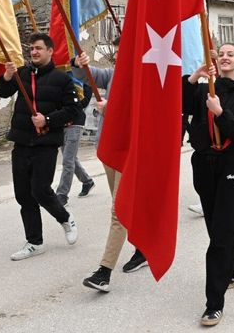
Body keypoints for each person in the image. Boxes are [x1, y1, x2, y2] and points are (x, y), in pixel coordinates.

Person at [183, 43, 234, 327]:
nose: (225, 57)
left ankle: (213, 304)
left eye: (231, 54)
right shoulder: (205, 89)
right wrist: (194, 77)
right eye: (221, 54)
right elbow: (181, 104)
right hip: (203, 164)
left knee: (222, 236)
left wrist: (219, 112)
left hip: (230, 165)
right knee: (216, 226)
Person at [0, 33, 81, 261]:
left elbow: (73, 110)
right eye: (32, 48)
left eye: (39, 48)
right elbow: (2, 92)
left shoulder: (62, 79)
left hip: (46, 144)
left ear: (50, 51)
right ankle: (34, 242)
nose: (34, 52)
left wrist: (49, 120)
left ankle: (65, 218)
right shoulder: (22, 73)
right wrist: (6, 76)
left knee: (40, 190)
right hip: (22, 142)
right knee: (23, 194)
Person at [74, 39, 149, 293]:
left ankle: (104, 272)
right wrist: (80, 64)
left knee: (119, 209)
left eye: (124, 48)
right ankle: (143, 248)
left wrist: (110, 110)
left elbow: (141, 116)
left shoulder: (144, 77)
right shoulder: (114, 73)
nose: (119, 53)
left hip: (131, 154)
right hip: (110, 151)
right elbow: (90, 75)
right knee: (127, 206)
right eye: (118, 49)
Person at [55, 82, 95, 207]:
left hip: (75, 123)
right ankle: (87, 181)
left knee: (68, 160)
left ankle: (62, 195)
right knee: (71, 158)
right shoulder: (58, 75)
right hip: (61, 123)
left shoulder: (78, 76)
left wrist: (73, 109)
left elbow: (86, 95)